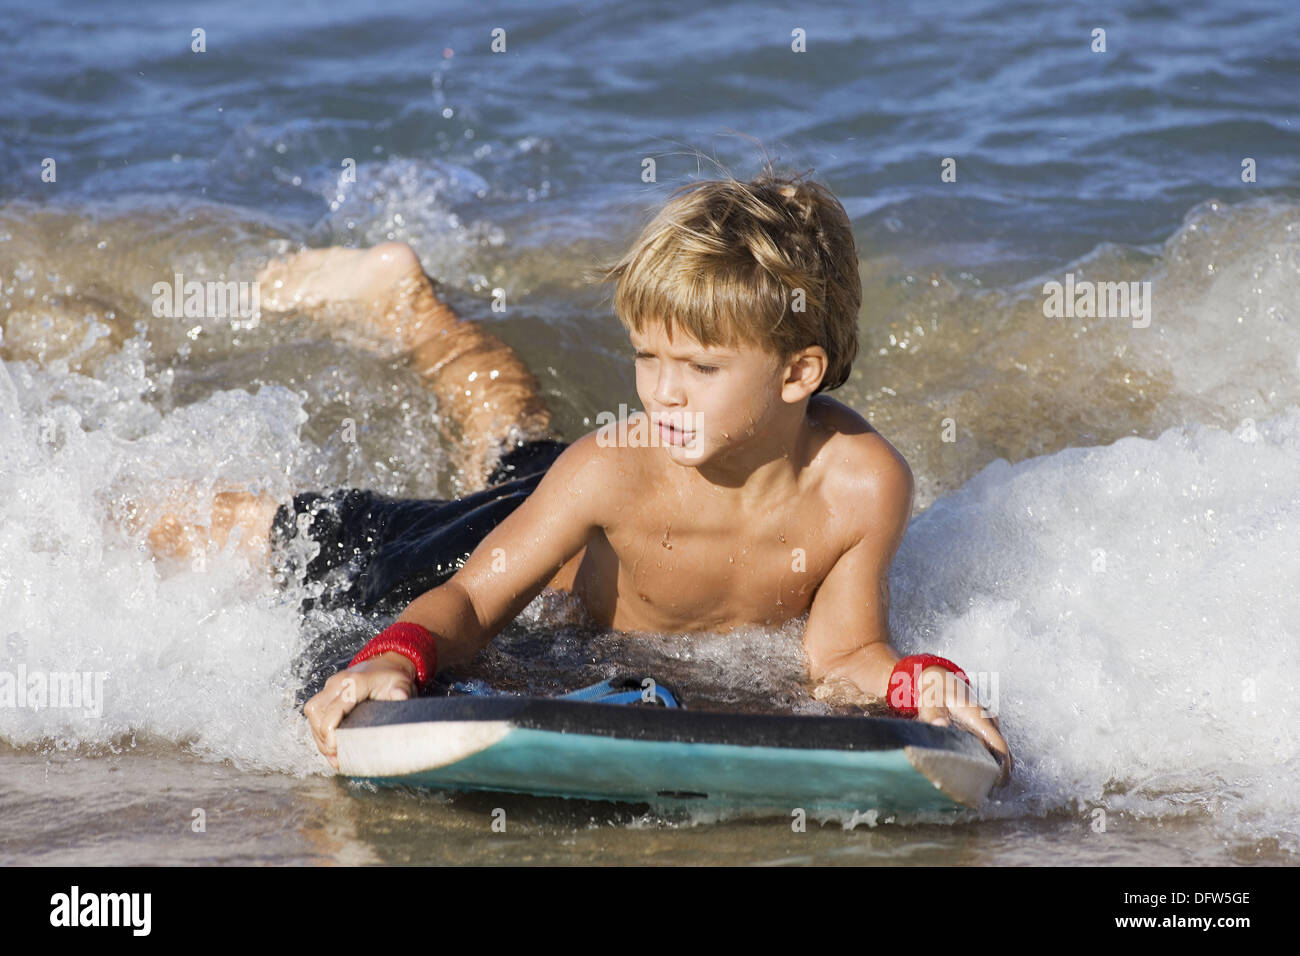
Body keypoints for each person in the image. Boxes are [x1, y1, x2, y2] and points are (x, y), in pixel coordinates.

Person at [146, 169, 1014, 782]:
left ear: (797, 375)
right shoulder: (610, 468)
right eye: (646, 357)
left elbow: (842, 656)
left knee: (513, 435)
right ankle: (394, 310)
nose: (662, 391)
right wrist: (397, 656)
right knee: (308, 540)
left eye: (699, 368)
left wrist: (915, 681)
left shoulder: (861, 487)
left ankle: (399, 292)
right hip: (513, 537)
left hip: (551, 487)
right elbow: (475, 603)